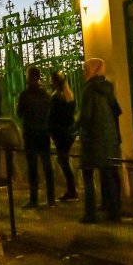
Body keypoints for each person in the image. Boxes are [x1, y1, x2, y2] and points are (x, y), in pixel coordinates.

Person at [78, 58, 122, 223]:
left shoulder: (89, 90)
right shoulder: (108, 88)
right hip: (110, 138)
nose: (83, 72)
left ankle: (90, 214)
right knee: (109, 174)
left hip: (92, 139)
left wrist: (77, 126)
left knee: (88, 175)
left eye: (85, 69)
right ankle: (114, 211)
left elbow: (86, 115)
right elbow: (117, 111)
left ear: (92, 70)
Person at [17, 67, 55, 208]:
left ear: (28, 77)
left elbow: (19, 113)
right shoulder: (46, 95)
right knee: (47, 165)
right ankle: (51, 198)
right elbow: (49, 113)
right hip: (44, 132)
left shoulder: (25, 95)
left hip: (30, 133)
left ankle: (34, 199)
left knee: (32, 166)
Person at [49, 72, 79, 201]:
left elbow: (53, 117)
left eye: (51, 81)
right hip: (69, 132)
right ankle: (71, 189)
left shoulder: (55, 98)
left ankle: (72, 190)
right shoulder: (69, 95)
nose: (50, 83)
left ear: (55, 82)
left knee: (63, 160)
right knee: (63, 160)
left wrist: (51, 132)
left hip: (60, 134)